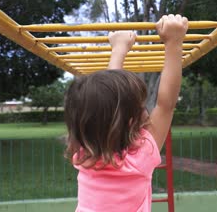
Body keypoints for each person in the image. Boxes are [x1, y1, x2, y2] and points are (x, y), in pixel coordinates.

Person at [64, 14, 188, 212]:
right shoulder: (139, 158)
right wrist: (174, 43)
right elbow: (166, 105)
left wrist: (119, 50)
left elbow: (111, 100)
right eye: (141, 104)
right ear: (130, 120)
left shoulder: (85, 155)